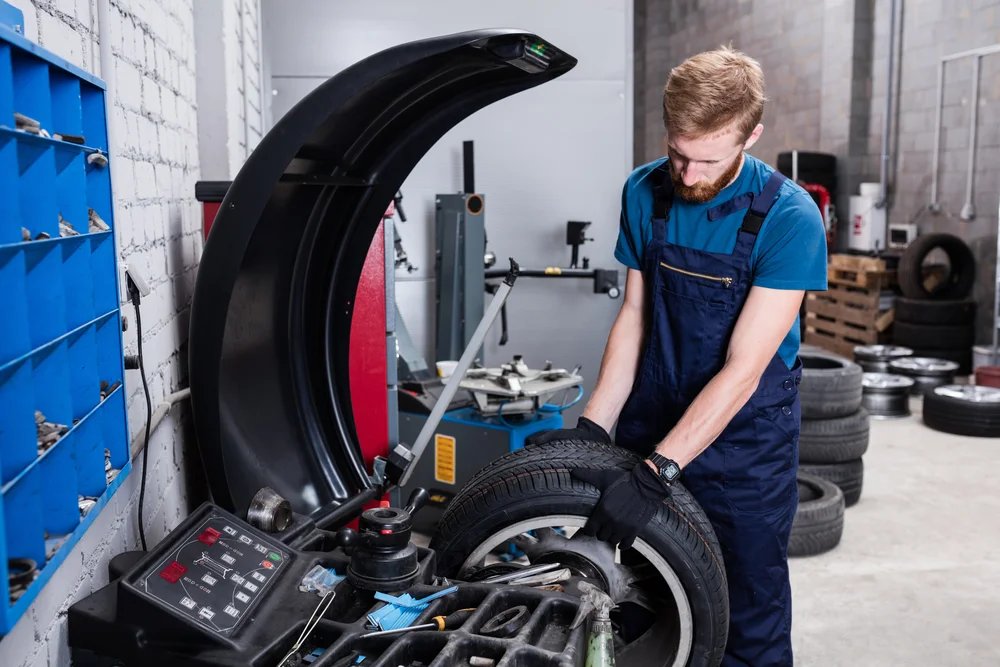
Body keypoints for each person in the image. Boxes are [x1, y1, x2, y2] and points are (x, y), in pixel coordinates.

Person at [529, 46, 828, 665]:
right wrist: (592, 430)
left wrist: (658, 473)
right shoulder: (645, 191)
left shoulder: (789, 216)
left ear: (752, 136)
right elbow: (635, 318)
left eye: (708, 160)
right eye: (677, 154)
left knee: (748, 614)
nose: (688, 176)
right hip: (651, 421)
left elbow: (744, 369)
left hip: (745, 447)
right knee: (641, 600)